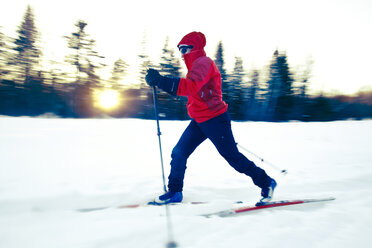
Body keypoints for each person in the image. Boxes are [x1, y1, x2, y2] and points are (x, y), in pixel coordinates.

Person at [145, 31, 276, 205]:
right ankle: (175, 191)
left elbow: (190, 86)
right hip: (200, 120)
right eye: (180, 50)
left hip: (215, 119)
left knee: (233, 158)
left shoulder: (204, 63)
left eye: (185, 49)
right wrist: (160, 82)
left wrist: (161, 81)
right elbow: (188, 89)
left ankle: (267, 183)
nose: (182, 53)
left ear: (195, 48)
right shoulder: (194, 67)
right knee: (178, 152)